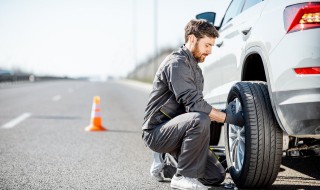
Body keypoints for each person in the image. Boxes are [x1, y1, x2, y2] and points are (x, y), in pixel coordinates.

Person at [142, 19, 244, 190]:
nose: (210, 51)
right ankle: (183, 177)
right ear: (191, 39)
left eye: (212, 46)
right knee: (200, 119)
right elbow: (195, 106)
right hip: (156, 131)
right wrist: (226, 117)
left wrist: (220, 114)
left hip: (177, 130)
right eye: (207, 45)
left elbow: (191, 108)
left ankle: (167, 165)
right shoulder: (177, 63)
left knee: (215, 176)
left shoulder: (195, 69)